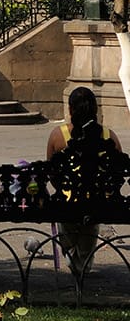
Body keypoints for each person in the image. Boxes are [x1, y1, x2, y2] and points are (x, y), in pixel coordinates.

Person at [46, 85, 125, 276]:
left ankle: (75, 258)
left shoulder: (59, 135)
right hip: (100, 202)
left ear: (71, 109)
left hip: (68, 201)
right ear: (94, 110)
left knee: (69, 224)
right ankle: (81, 262)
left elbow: (51, 172)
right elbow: (119, 172)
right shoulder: (109, 136)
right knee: (87, 236)